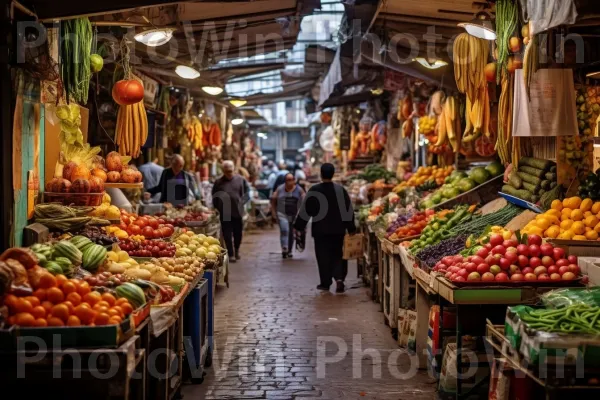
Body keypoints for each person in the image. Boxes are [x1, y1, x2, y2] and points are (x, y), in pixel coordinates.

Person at [294, 163, 356, 293]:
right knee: (338, 254)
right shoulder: (340, 190)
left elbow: (306, 210)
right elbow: (348, 211)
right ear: (333, 174)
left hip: (320, 230)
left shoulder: (314, 190)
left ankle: (325, 282)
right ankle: (339, 279)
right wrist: (351, 228)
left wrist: (299, 226)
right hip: (338, 230)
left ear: (321, 174)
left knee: (323, 256)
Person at [212, 160, 249, 262]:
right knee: (227, 234)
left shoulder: (241, 180)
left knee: (238, 233)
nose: (229, 173)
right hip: (225, 212)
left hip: (237, 211)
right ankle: (231, 254)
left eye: (230, 171)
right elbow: (214, 196)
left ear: (234, 169)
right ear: (223, 171)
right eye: (227, 171)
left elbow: (247, 194)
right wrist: (216, 207)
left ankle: (236, 249)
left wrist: (243, 203)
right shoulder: (218, 182)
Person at [271, 173, 305, 259]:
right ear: (285, 181)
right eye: (287, 180)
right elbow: (273, 200)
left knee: (291, 232)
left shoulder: (299, 189)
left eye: (291, 180)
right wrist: (273, 213)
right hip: (282, 213)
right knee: (284, 230)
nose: (289, 182)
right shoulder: (280, 189)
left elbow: (304, 200)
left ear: (294, 180)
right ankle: (284, 248)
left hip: (294, 214)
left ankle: (289, 250)